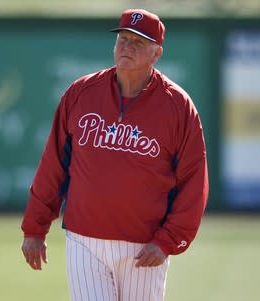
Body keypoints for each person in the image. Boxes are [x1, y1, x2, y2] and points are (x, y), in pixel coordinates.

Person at [21, 8, 209, 301]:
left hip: (145, 247)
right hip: (85, 241)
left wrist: (166, 241)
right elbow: (53, 166)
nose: (127, 47)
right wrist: (35, 228)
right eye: (123, 38)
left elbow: (193, 183)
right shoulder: (81, 94)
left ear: (156, 53)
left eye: (139, 42)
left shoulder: (178, 107)